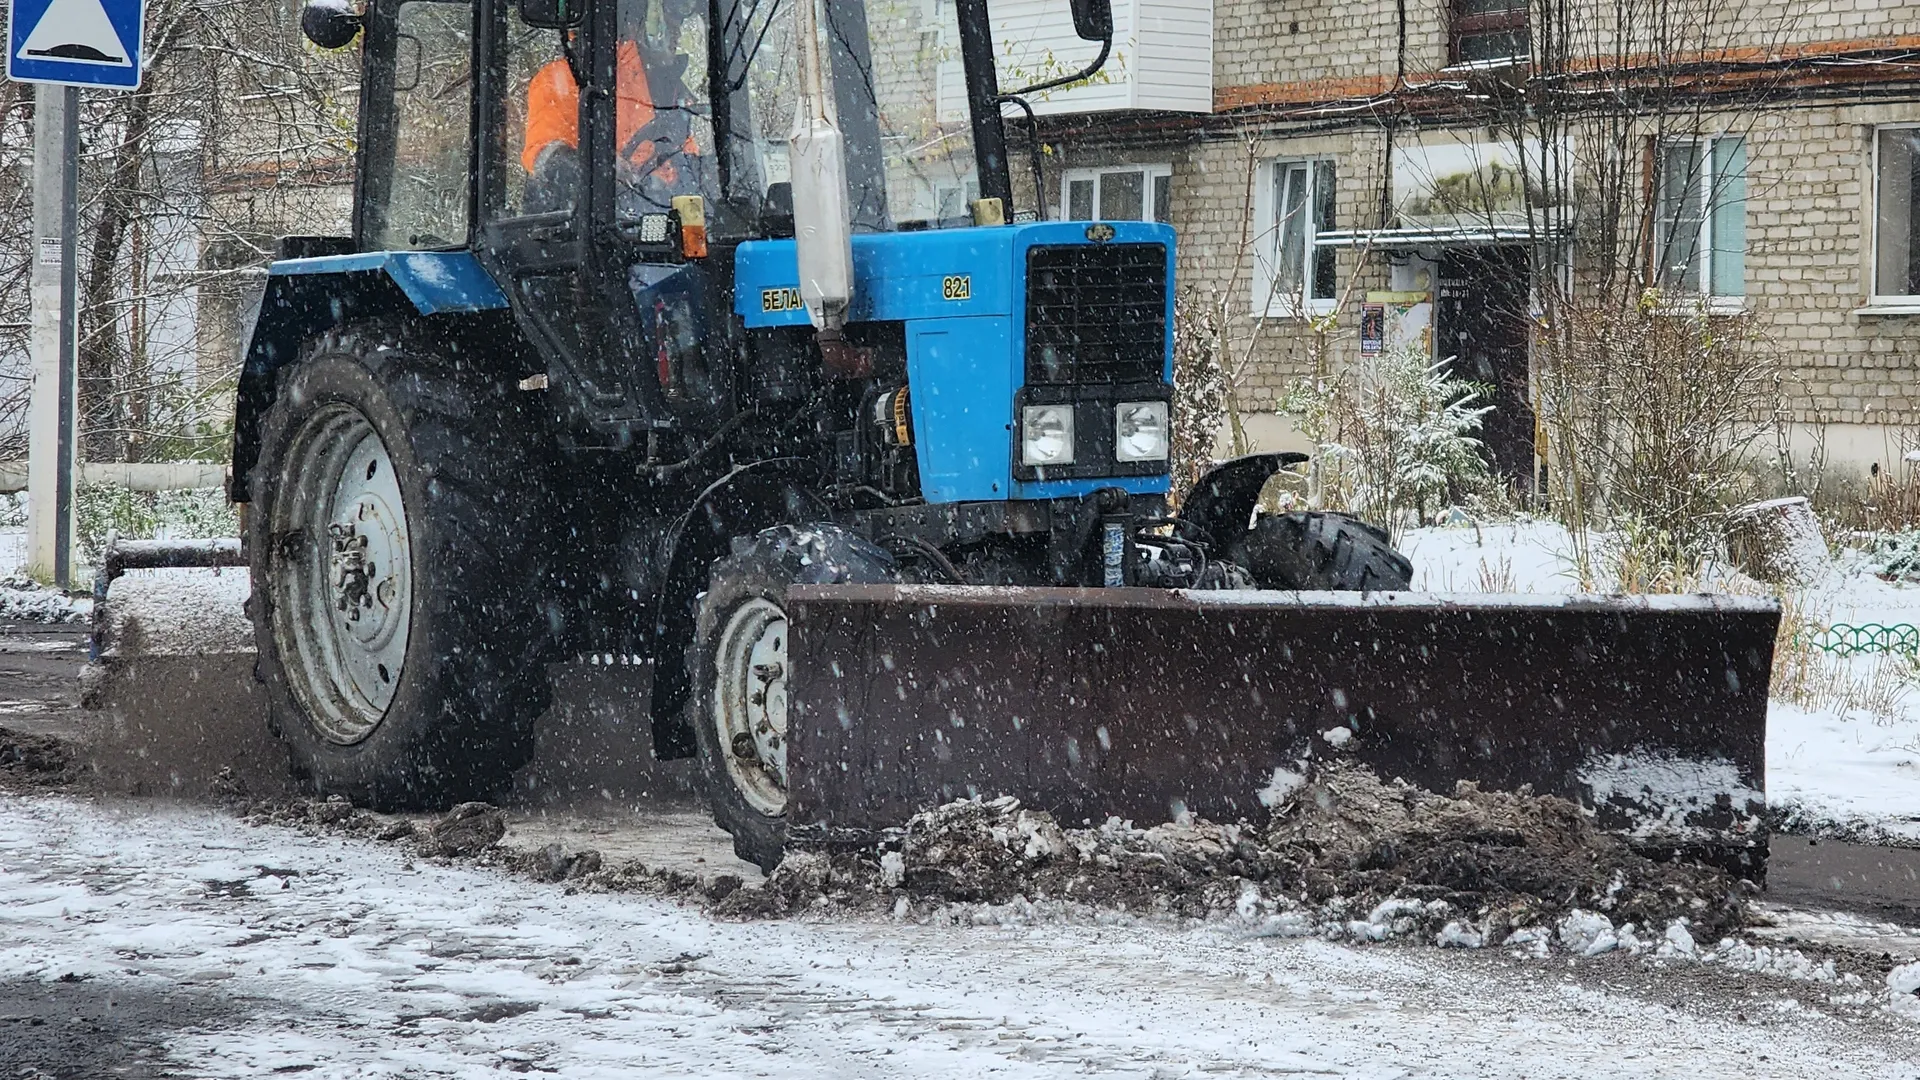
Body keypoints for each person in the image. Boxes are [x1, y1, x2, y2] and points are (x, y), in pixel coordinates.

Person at [521, 0, 708, 216]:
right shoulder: (563, 79)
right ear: (634, 22)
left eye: (678, 25)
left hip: (650, 221)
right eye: (665, 22)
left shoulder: (670, 89)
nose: (676, 33)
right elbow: (546, 156)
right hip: (587, 226)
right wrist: (605, 172)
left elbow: (683, 164)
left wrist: (700, 175)